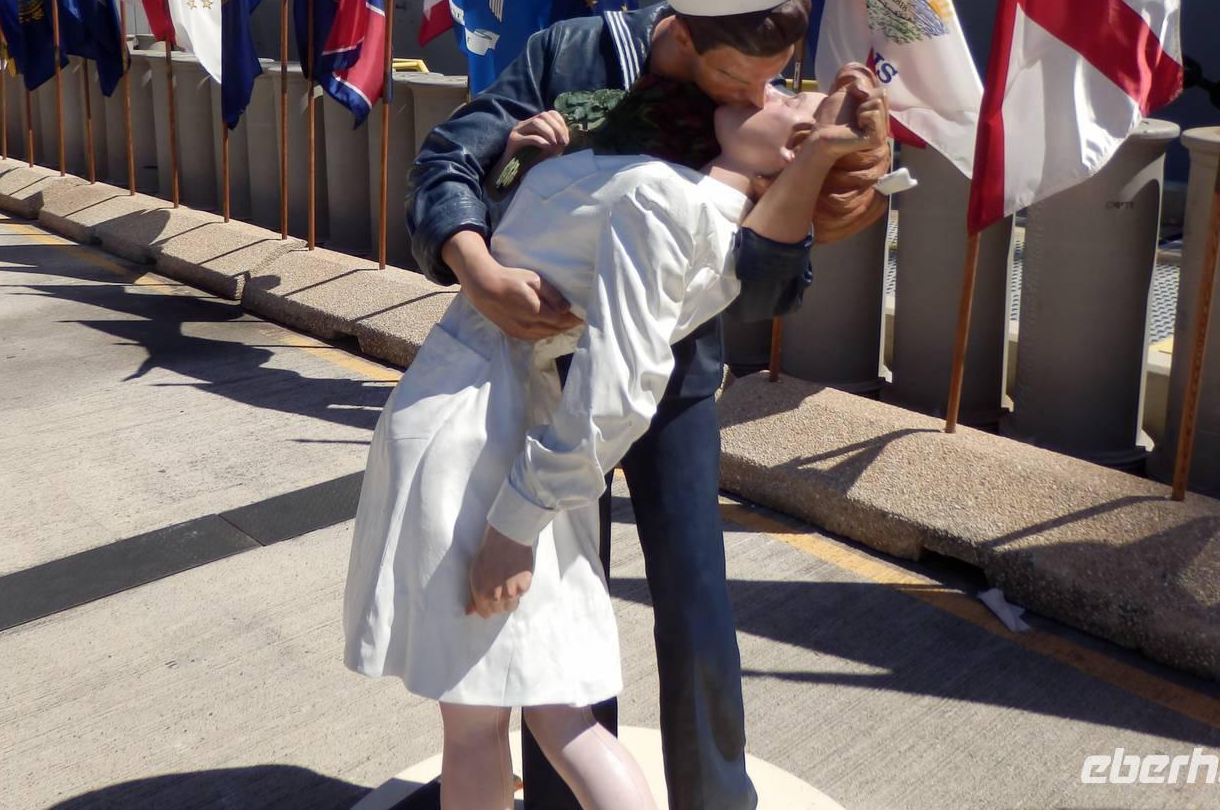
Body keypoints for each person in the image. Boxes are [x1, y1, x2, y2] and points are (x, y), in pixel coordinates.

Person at [345, 68, 889, 809]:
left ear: (792, 150)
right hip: (504, 426)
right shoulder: (700, 213)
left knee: (481, 723)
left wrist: (512, 527)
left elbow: (617, 390)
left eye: (788, 98)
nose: (762, 91)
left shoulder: (661, 198)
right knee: (553, 713)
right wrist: (525, 162)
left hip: (477, 427)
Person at [403, 0, 833, 809]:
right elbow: (449, 158)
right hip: (540, 371)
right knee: (556, 593)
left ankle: (716, 797)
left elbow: (770, 288)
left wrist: (793, 193)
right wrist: (477, 267)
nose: (760, 95)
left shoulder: (756, 101)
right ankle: (565, 797)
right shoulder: (571, 53)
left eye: (775, 78)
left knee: (695, 590)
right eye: (739, 80)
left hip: (675, 377)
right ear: (684, 37)